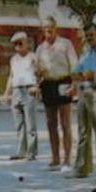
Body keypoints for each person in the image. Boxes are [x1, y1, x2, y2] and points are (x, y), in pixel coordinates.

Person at [35, 16, 78, 172]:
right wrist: (37, 76)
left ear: (56, 27)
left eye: (51, 27)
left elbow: (74, 65)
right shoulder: (40, 48)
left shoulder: (65, 44)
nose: (48, 30)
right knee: (50, 122)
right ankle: (55, 158)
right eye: (45, 28)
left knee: (65, 122)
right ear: (43, 30)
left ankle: (67, 159)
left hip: (63, 82)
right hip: (48, 83)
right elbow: (37, 71)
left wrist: (74, 85)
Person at [69, 23, 96, 178]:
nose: (89, 38)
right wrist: (84, 75)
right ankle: (82, 168)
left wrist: (91, 75)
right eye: (87, 36)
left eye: (92, 35)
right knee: (83, 132)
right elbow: (75, 73)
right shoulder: (86, 53)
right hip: (84, 92)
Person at [1, 32, 39, 161]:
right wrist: (7, 93)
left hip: (29, 89)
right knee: (19, 124)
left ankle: (31, 152)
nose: (18, 46)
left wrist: (36, 86)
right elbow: (11, 76)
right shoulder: (13, 59)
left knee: (30, 124)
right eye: (15, 44)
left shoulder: (33, 57)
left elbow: (41, 73)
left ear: (27, 42)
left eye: (20, 43)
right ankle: (21, 151)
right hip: (16, 90)